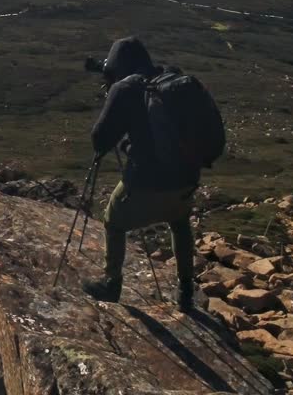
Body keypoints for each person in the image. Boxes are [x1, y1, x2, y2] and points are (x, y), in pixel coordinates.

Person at [81, 37, 202, 313]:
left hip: (146, 182)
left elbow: (100, 140)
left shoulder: (125, 88)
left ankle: (111, 283)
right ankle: (185, 290)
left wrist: (112, 95)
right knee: (180, 221)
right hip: (186, 180)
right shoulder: (170, 79)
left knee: (113, 219)